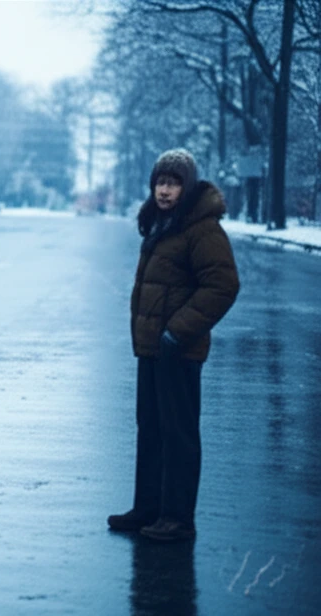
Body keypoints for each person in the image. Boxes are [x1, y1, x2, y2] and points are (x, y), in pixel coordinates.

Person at [109, 149, 240, 542]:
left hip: (178, 349)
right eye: (160, 183)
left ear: (187, 186)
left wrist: (177, 331)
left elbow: (223, 285)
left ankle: (178, 519)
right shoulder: (161, 225)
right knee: (149, 428)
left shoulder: (201, 229)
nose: (164, 190)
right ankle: (148, 508)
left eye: (173, 183)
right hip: (152, 349)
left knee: (177, 432)